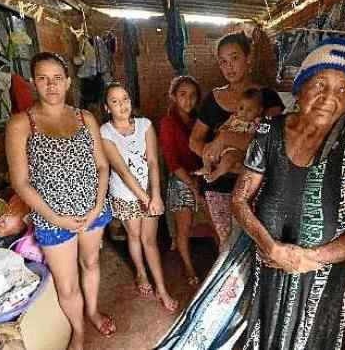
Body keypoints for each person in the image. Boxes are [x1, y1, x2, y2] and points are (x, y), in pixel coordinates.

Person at [153, 37, 345, 350]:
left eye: (343, 89)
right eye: (320, 84)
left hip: (318, 276)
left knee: (308, 337)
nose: (329, 98)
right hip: (267, 266)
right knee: (264, 331)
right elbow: (239, 200)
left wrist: (309, 258)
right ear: (300, 86)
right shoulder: (269, 129)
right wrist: (271, 248)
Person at [5, 52, 115, 350]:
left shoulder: (85, 118)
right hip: (53, 219)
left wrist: (96, 206)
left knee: (91, 263)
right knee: (66, 285)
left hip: (93, 210)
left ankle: (91, 311)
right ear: (33, 83)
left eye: (57, 78)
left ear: (68, 81)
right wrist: (57, 219)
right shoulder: (21, 124)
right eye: (43, 78)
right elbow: (21, 182)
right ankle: (78, 331)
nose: (51, 85)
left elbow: (102, 166)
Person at [189, 31, 284, 251]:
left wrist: (226, 138)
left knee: (260, 247)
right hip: (220, 185)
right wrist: (214, 156)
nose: (229, 67)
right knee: (228, 248)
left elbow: (273, 142)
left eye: (234, 58)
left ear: (248, 58)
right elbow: (194, 140)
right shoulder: (213, 99)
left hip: (257, 186)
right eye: (223, 62)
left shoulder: (267, 97)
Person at [100, 82, 178, 312]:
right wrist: (146, 199)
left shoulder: (145, 125)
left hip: (148, 193)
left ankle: (162, 289)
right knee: (133, 236)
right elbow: (122, 171)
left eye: (124, 99)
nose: (122, 105)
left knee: (150, 241)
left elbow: (154, 162)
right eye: (115, 101)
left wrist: (155, 195)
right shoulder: (105, 132)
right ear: (107, 107)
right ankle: (141, 273)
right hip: (125, 195)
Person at [159, 76, 204, 287]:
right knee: (183, 230)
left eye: (193, 95)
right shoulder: (168, 123)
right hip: (180, 179)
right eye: (183, 95)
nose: (188, 100)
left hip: (201, 175)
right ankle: (189, 267)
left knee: (210, 224)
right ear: (173, 97)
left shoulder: (199, 121)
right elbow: (171, 161)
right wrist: (192, 184)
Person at [194, 88, 264, 183]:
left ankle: (216, 174)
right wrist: (221, 132)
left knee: (229, 158)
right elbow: (223, 128)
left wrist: (227, 138)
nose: (244, 113)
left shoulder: (255, 123)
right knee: (207, 147)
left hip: (235, 149)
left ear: (259, 111)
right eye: (241, 108)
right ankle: (207, 166)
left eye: (249, 110)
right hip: (220, 147)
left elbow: (249, 140)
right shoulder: (233, 117)